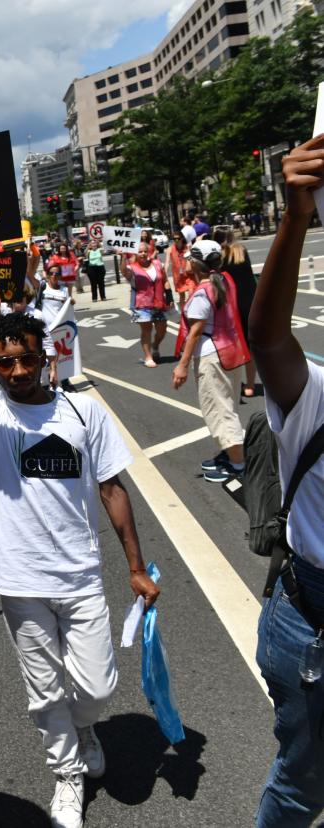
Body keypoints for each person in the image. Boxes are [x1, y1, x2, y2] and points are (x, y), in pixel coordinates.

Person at [0, 228, 161, 828]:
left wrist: (133, 565)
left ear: (47, 354)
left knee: (98, 688)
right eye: (6, 361)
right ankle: (67, 775)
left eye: (29, 357)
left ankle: (85, 732)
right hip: (19, 581)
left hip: (80, 575)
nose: (19, 368)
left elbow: (112, 488)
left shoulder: (83, 411)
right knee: (43, 689)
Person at [247, 132, 324, 827]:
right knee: (303, 786)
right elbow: (267, 337)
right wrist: (294, 219)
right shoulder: (316, 397)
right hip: (313, 624)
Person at [172, 239, 251, 483]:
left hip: (212, 355)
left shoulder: (201, 293)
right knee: (227, 406)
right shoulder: (224, 281)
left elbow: (194, 333)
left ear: (196, 264)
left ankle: (238, 465)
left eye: (189, 259)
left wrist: (182, 365)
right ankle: (232, 456)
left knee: (219, 411)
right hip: (232, 351)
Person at [220, 228, 259, 399]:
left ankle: (233, 383)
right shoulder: (241, 251)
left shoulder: (220, 255)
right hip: (249, 300)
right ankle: (250, 385)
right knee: (250, 346)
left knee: (231, 344)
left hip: (231, 303)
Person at [121, 242, 169, 368]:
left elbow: (165, 280)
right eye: (140, 252)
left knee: (162, 329)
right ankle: (148, 357)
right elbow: (124, 272)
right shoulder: (132, 267)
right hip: (141, 303)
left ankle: (156, 345)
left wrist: (169, 296)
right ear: (135, 253)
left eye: (144, 251)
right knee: (146, 330)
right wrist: (122, 257)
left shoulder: (157, 264)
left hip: (158, 302)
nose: (142, 254)